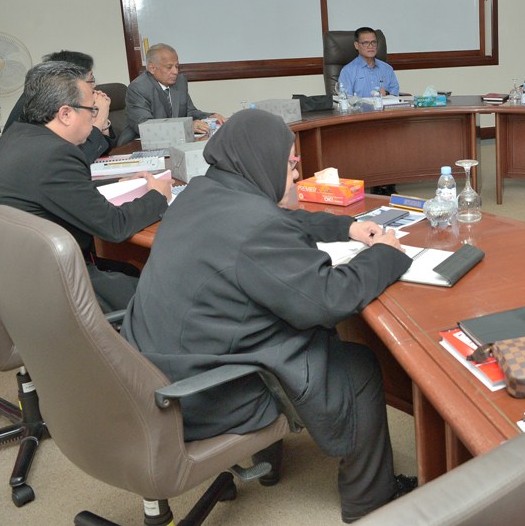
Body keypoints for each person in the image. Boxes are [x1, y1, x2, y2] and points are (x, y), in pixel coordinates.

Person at [122, 109, 415, 523]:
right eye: (290, 160)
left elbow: (273, 217)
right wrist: (385, 254)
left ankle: (270, 465)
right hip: (200, 396)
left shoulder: (200, 193)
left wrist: (343, 228)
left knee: (265, 321)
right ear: (261, 159)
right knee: (359, 365)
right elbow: (328, 298)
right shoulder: (256, 229)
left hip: (152, 373)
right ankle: (372, 503)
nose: (296, 169)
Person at [0, 62, 170, 311]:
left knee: (130, 271)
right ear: (65, 114)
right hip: (50, 287)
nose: (95, 117)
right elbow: (115, 227)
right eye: (92, 110)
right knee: (163, 295)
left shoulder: (19, 135)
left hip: (13, 277)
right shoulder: (55, 154)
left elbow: (56, 189)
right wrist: (158, 196)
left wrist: (116, 182)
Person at [3, 50, 116, 163]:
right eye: (90, 79)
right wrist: (99, 119)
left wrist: (103, 123)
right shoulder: (43, 106)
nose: (94, 85)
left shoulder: (66, 100)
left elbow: (102, 150)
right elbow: (75, 159)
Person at [123, 43, 225, 142]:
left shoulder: (180, 82)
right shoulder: (138, 88)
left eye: (176, 66)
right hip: (138, 143)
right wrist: (186, 127)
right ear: (152, 68)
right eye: (169, 67)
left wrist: (209, 117)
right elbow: (145, 126)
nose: (175, 71)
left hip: (174, 141)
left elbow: (189, 112)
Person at [339, 28, 400, 98]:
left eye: (374, 42)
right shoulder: (347, 71)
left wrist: (386, 93)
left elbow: (395, 95)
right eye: (366, 43)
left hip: (384, 105)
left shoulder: (387, 69)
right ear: (356, 45)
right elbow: (346, 100)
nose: (371, 46)